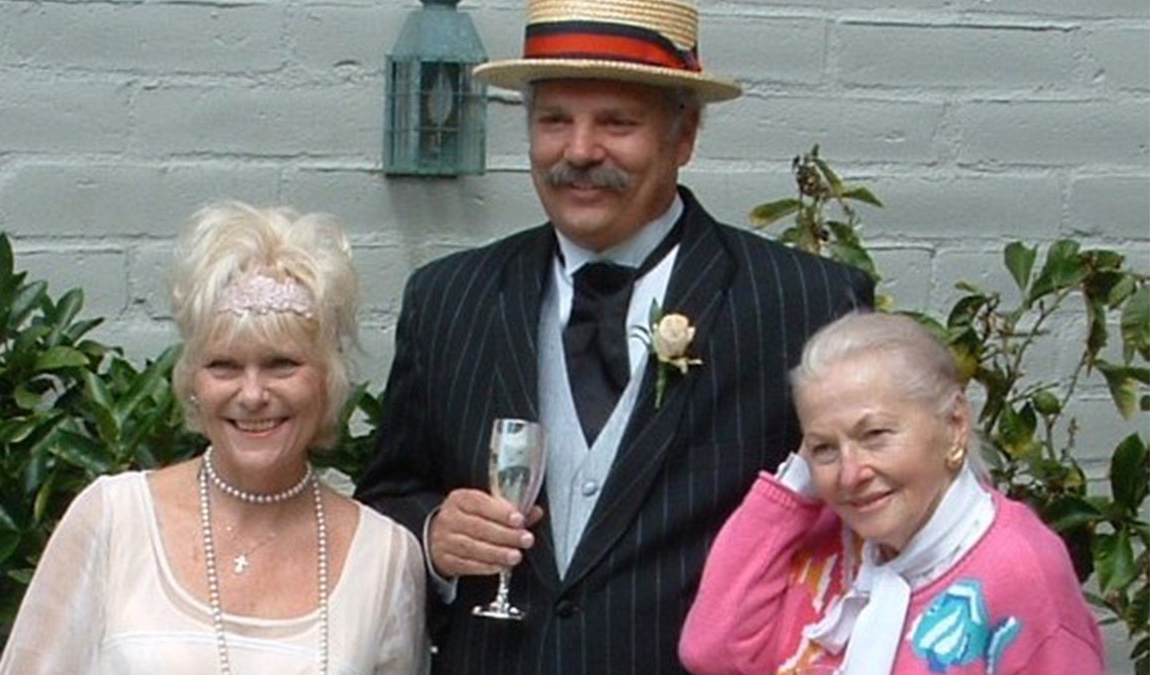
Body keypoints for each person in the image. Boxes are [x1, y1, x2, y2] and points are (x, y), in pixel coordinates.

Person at [355, 0, 874, 672]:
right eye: (554, 122)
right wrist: (432, 534)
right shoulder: (448, 299)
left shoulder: (805, 303)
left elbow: (860, 526)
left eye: (617, 123)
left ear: (682, 137)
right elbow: (385, 501)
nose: (579, 151)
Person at [0, 202, 428, 674]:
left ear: (327, 378)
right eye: (223, 365)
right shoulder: (113, 519)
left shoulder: (384, 555)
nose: (252, 394)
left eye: (281, 363)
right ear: (193, 383)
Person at [678, 312, 1104, 675]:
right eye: (824, 447)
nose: (851, 474)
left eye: (875, 434)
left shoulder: (1021, 569)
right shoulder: (836, 537)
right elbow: (713, 651)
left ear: (955, 423)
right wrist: (796, 488)